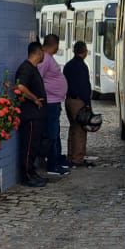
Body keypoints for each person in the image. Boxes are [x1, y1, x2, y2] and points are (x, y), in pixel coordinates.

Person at [15, 40, 47, 188]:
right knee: (28, 146)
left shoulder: (34, 68)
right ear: (38, 52)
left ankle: (32, 172)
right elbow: (20, 86)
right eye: (42, 52)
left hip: (37, 116)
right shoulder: (26, 68)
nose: (44, 55)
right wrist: (35, 99)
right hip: (30, 116)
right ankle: (26, 176)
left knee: (34, 146)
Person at [38, 34, 69, 176]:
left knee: (55, 133)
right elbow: (39, 78)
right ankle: (52, 165)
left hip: (54, 102)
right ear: (55, 45)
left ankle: (56, 161)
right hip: (50, 103)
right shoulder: (44, 58)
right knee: (52, 134)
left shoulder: (48, 58)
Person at [64, 40, 95, 168]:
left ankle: (70, 155)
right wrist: (88, 104)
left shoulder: (68, 65)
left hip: (68, 100)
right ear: (85, 52)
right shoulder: (82, 66)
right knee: (80, 130)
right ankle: (78, 159)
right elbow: (84, 87)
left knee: (73, 128)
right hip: (79, 102)